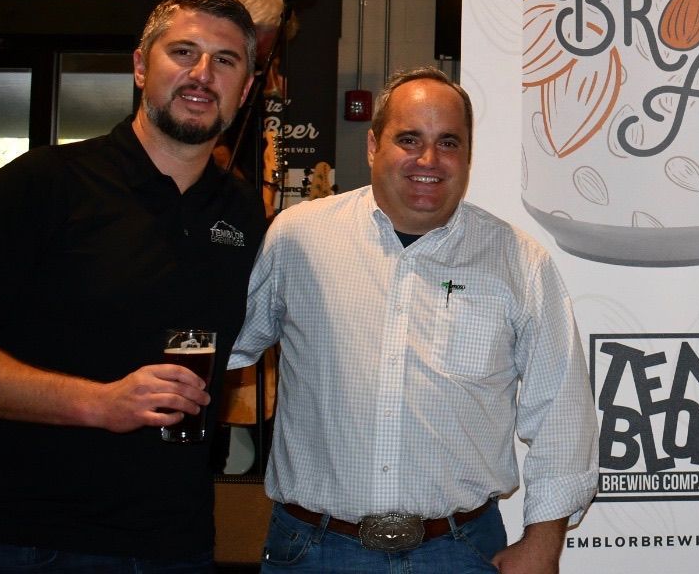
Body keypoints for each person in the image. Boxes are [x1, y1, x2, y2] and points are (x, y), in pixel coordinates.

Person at [0, 0, 264, 573]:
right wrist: (100, 403)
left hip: (177, 543)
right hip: (34, 542)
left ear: (245, 87)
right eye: (182, 51)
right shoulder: (41, 186)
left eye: (225, 60)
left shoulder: (241, 212)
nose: (201, 73)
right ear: (141, 67)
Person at [229, 66, 597, 573]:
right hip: (314, 552)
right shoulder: (298, 239)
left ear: (468, 154)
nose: (429, 159)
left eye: (449, 142)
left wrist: (543, 543)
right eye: (409, 139)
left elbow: (563, 413)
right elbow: (228, 346)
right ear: (373, 146)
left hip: (461, 552)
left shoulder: (518, 262)